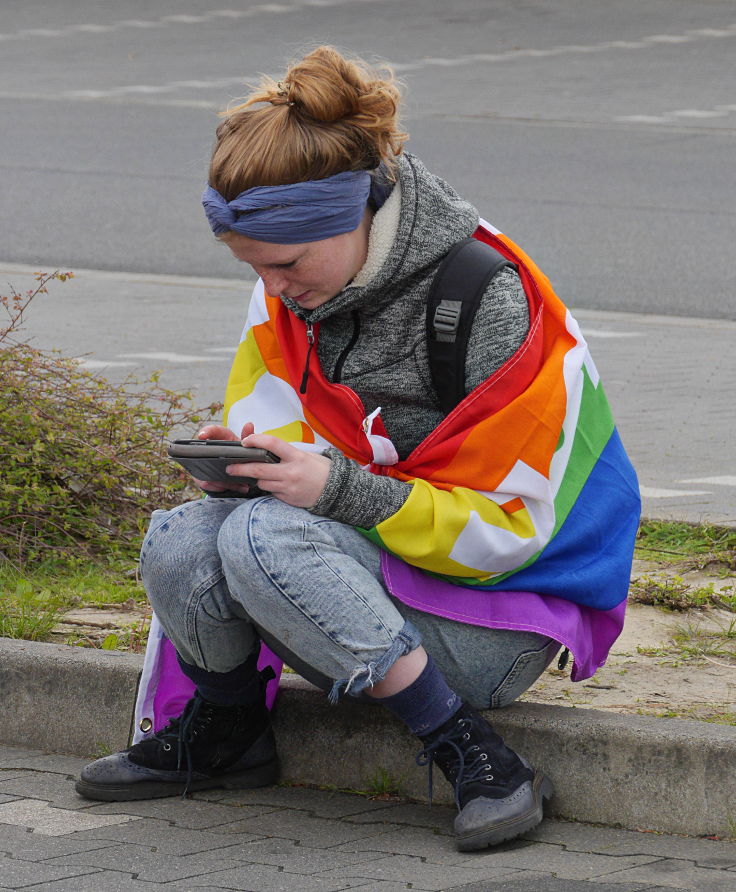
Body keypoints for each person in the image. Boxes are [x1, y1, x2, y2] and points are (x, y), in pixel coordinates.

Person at [76, 46, 639, 852]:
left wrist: (333, 492)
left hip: (502, 619)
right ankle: (232, 735)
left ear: (350, 218)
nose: (275, 290)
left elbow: (516, 530)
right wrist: (244, 463)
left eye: (286, 266)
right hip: (349, 582)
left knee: (264, 535)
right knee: (183, 536)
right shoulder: (300, 280)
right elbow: (288, 442)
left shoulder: (489, 297)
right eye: (256, 271)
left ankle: (480, 758)